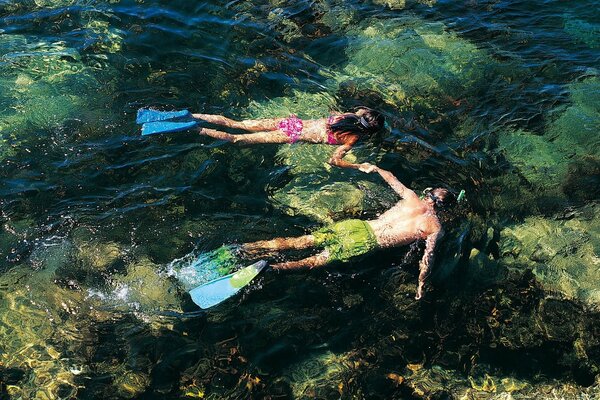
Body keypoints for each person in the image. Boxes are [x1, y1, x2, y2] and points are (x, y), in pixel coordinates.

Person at [240, 167, 458, 299]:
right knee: (313, 261)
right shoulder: (435, 227)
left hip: (356, 226)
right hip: (364, 242)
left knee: (301, 241)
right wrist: (421, 283)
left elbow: (389, 175)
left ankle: (250, 247)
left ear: (428, 195)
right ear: (443, 208)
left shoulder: (411, 197)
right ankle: (271, 269)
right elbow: (427, 258)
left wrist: (372, 167)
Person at [193, 107, 385, 172]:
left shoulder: (347, 116)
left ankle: (195, 116)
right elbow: (333, 160)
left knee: (236, 123)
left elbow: (361, 111)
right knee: (235, 139)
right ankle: (198, 130)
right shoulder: (352, 138)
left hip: (292, 123)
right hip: (292, 134)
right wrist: (358, 166)